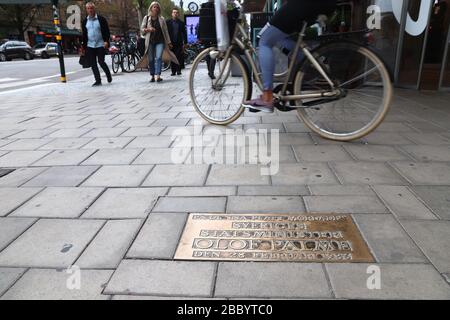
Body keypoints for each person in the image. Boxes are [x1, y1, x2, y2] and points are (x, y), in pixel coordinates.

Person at [243, 0, 336, 113]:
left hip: (304, 4)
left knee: (264, 40)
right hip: (325, 5)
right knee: (280, 38)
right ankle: (315, 66)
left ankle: (267, 97)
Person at [81, 2, 112, 86]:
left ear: (94, 9)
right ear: (86, 10)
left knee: (101, 61)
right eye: (88, 8)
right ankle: (98, 80)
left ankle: (108, 75)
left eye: (91, 8)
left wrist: (106, 41)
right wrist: (83, 47)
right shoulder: (84, 21)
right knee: (93, 64)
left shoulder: (101, 19)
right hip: (90, 45)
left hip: (100, 44)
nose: (90, 10)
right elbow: (84, 35)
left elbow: (107, 31)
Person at [141, 1, 173, 83]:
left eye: (157, 7)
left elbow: (165, 31)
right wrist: (148, 29)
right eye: (154, 7)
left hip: (160, 41)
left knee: (158, 58)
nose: (156, 8)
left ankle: (158, 75)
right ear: (151, 8)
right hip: (150, 42)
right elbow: (142, 30)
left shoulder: (162, 19)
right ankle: (152, 75)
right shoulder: (146, 18)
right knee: (151, 59)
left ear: (159, 9)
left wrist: (169, 42)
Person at [166, 7, 187, 76]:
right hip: (170, 43)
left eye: (177, 12)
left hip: (179, 43)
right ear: (172, 14)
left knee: (178, 57)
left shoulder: (181, 23)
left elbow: (184, 33)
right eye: (174, 12)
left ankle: (178, 70)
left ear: (178, 14)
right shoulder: (168, 22)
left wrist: (185, 42)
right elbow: (165, 33)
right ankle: (173, 71)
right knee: (172, 57)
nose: (175, 14)